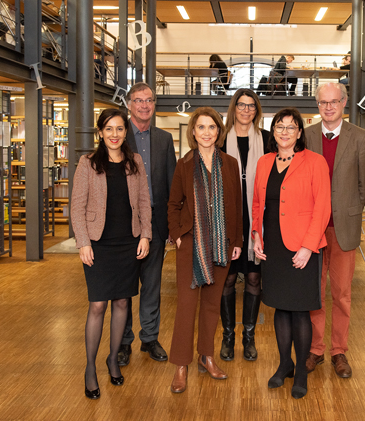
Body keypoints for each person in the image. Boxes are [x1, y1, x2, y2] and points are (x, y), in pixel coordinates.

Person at [71, 108, 152, 400]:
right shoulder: (88, 163)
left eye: (119, 129)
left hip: (128, 243)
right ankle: (90, 367)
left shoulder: (136, 162)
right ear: (100, 133)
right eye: (109, 129)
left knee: (122, 303)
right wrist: (83, 242)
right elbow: (76, 207)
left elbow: (144, 202)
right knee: (97, 306)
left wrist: (145, 234)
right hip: (98, 244)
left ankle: (113, 358)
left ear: (125, 131)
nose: (114, 134)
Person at [252, 108, 331, 399]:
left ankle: (300, 372)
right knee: (279, 307)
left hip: (303, 248)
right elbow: (259, 203)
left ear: (300, 132)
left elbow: (323, 206)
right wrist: (256, 235)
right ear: (273, 133)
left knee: (300, 311)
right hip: (272, 246)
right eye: (279, 127)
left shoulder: (315, 162)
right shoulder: (264, 162)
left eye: (291, 127)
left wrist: (308, 246)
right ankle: (284, 363)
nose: (285, 132)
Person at [167, 107, 242, 394]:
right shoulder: (184, 164)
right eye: (201, 127)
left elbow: (237, 206)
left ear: (219, 131)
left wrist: (236, 241)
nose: (207, 132)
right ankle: (181, 364)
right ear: (193, 132)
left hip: (222, 245)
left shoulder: (230, 164)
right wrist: (177, 236)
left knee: (212, 305)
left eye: (212, 127)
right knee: (186, 306)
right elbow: (173, 204)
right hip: (192, 246)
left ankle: (206, 356)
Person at [304, 82, 365, 379]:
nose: (329, 107)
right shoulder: (306, 137)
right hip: (312, 231)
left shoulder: (360, 138)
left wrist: (347, 210)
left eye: (334, 101)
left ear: (345, 103)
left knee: (342, 293)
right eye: (323, 102)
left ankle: (339, 351)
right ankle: (316, 348)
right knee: (314, 293)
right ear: (317, 105)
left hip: (343, 228)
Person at [118, 82, 177, 366]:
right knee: (125, 286)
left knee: (152, 285)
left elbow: (171, 185)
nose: (144, 105)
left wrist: (170, 228)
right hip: (122, 226)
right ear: (129, 104)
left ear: (154, 104)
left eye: (149, 100)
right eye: (138, 100)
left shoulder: (164, 140)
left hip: (155, 224)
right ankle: (123, 341)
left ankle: (150, 337)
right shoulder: (117, 136)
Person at [219, 88, 270, 362]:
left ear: (256, 110)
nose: (246, 110)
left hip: (256, 216)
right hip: (227, 218)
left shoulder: (268, 139)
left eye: (251, 105)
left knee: (253, 277)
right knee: (227, 277)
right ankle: (227, 337)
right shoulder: (219, 139)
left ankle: (248, 338)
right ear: (234, 107)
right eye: (241, 105)